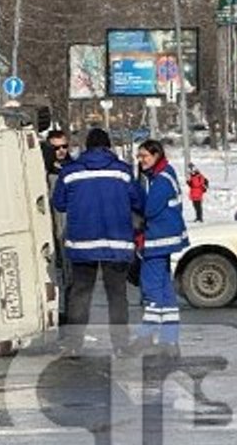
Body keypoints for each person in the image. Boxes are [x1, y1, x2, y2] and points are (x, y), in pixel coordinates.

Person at [51, 127, 144, 357]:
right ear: (108, 146)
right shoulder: (122, 172)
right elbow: (139, 201)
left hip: (82, 243)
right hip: (117, 243)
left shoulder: (71, 172)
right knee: (117, 295)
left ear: (86, 147)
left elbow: (59, 203)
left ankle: (73, 344)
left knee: (80, 293)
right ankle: (121, 345)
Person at [131, 140, 190, 357]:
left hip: (157, 241)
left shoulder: (161, 180)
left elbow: (149, 208)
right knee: (166, 293)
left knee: (152, 289)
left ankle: (146, 336)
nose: (141, 160)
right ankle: (169, 339)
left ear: (157, 155)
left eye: (145, 156)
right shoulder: (162, 175)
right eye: (139, 156)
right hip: (164, 239)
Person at [43, 130, 73, 315]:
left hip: (67, 229)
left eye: (64, 146)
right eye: (56, 148)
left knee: (70, 275)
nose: (61, 151)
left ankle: (69, 311)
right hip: (48, 229)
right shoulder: (41, 170)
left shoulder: (73, 169)